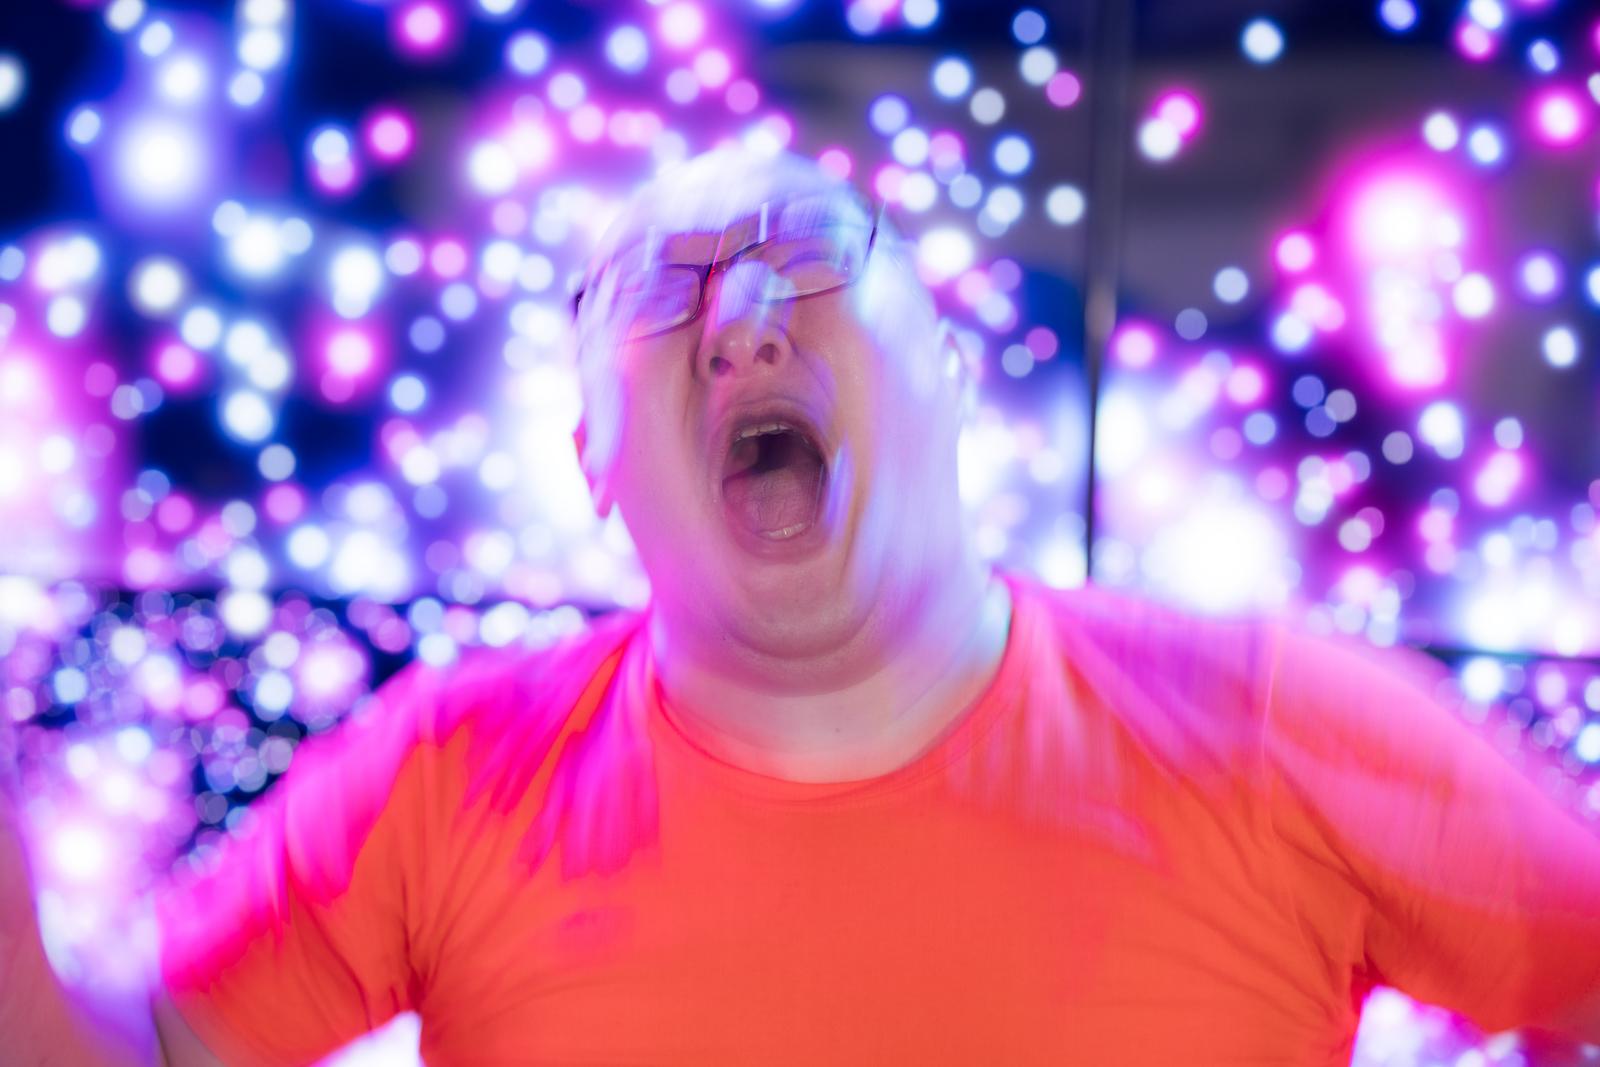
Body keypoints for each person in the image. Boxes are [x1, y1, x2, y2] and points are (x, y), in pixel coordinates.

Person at [4, 145, 1600, 1066]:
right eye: (662, 290)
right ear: (591, 460)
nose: (744, 320)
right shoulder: (444, 774)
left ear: (953, 373)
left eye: (814, 253)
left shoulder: (1270, 724)